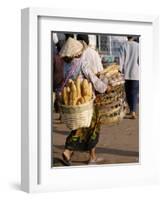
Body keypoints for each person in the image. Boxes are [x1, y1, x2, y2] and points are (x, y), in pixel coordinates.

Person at [59, 37, 110, 165]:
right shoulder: (82, 62)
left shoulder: (66, 64)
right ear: (77, 52)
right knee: (92, 127)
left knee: (80, 126)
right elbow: (92, 79)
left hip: (75, 101)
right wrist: (105, 87)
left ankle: (73, 152)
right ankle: (76, 153)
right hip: (86, 101)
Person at [120, 36, 139, 119]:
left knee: (128, 93)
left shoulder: (123, 45)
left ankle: (132, 110)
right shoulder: (138, 46)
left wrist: (120, 70)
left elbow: (121, 59)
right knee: (134, 93)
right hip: (136, 73)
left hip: (127, 73)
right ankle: (133, 111)